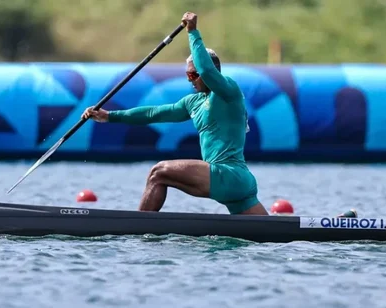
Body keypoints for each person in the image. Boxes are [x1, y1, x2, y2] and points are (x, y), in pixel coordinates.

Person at [81, 12, 269, 215]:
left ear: (215, 72)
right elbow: (154, 113)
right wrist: (110, 116)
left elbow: (206, 71)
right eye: (187, 75)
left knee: (158, 172)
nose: (190, 80)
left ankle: (137, 227)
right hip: (236, 185)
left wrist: (192, 32)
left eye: (193, 74)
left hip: (229, 174)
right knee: (271, 233)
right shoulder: (193, 102)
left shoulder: (228, 92)